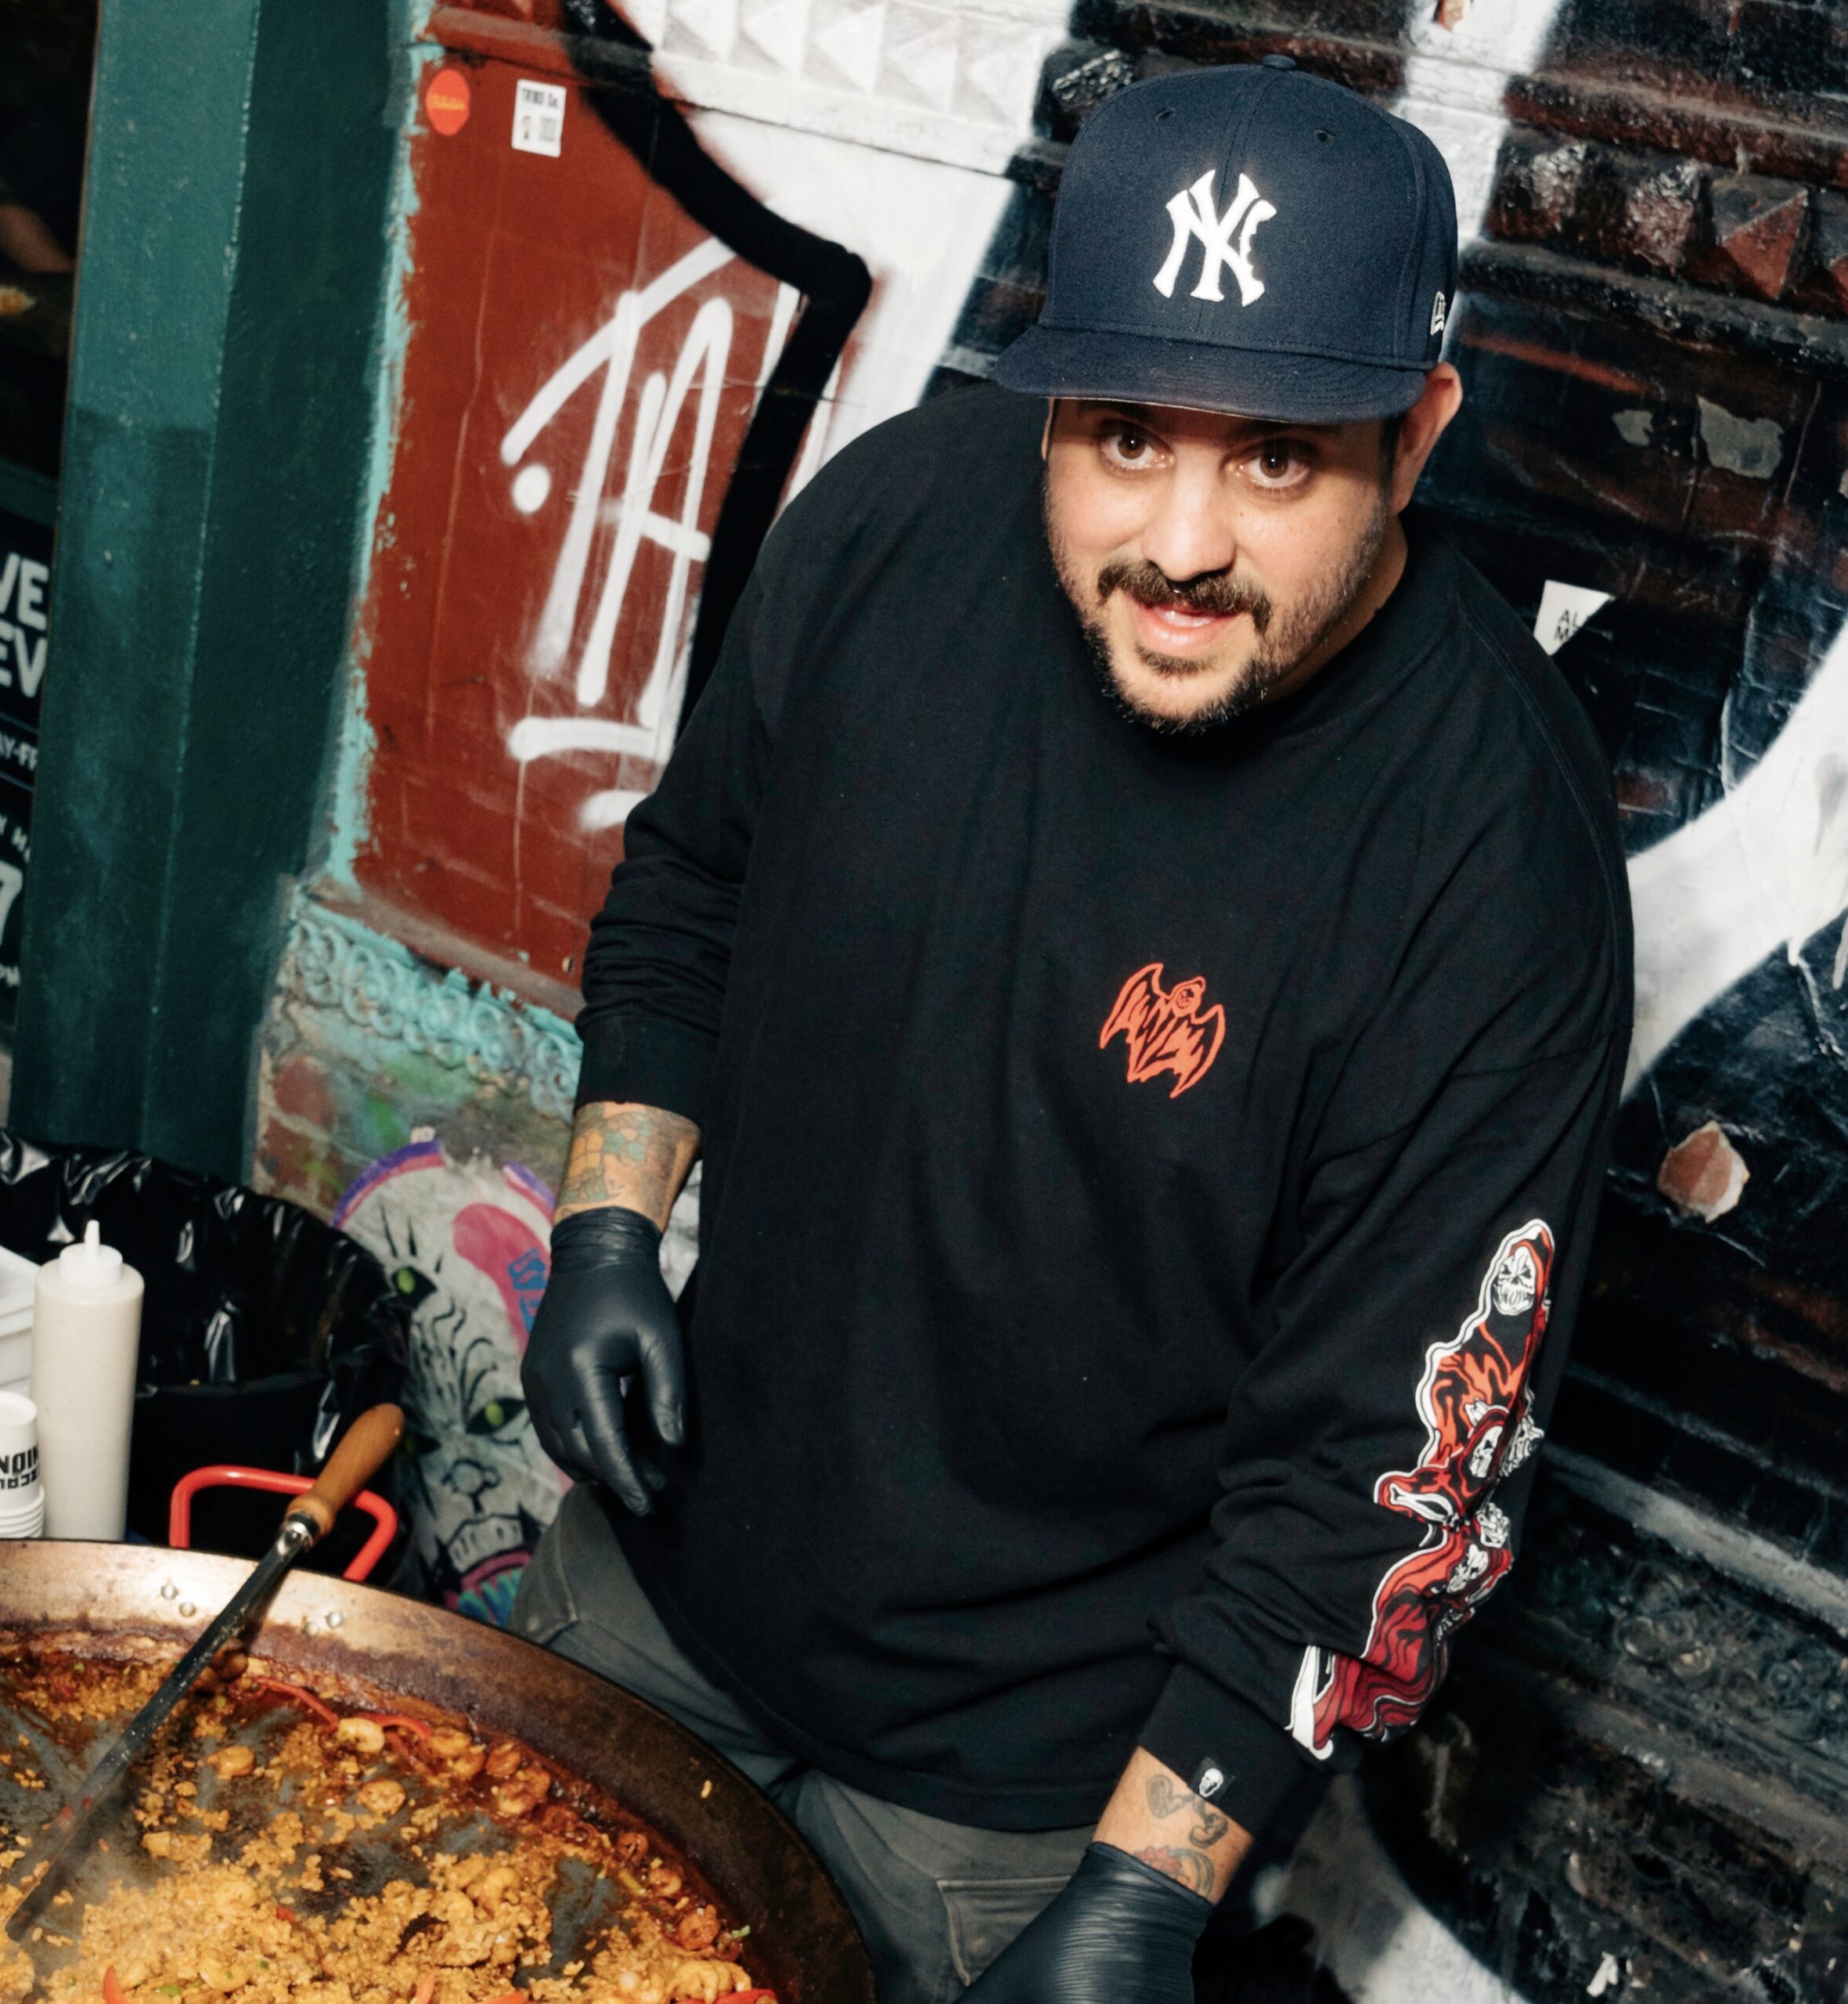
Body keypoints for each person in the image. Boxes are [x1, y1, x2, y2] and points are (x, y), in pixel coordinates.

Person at [514, 56, 1633, 2004]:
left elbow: (1381, 1468)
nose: (1179, 543)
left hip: (1017, 1801)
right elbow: (692, 887)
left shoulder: (1489, 857)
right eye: (1122, 434)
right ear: (1049, 391)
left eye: (1275, 457)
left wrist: (1136, 1894)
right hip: (656, 1575)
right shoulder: (888, 524)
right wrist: (610, 1221)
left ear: (1416, 432)